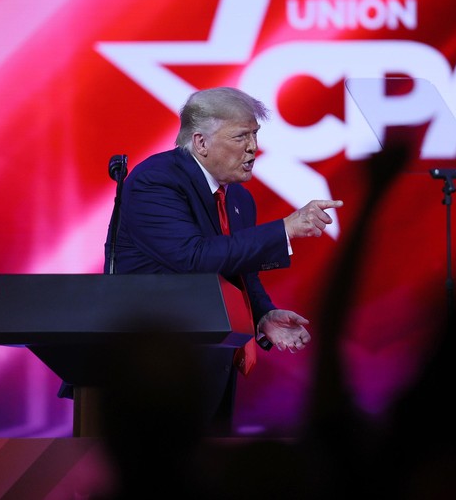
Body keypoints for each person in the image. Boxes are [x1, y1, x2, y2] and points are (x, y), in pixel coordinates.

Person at [103, 86, 343, 435]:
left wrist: (262, 316)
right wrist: (284, 229)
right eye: (241, 136)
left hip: (214, 361)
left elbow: (238, 269)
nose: (252, 148)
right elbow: (193, 257)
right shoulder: (155, 181)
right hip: (155, 368)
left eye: (255, 135)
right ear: (200, 142)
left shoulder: (239, 199)